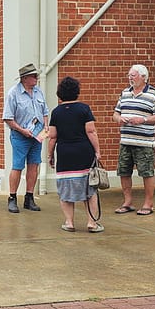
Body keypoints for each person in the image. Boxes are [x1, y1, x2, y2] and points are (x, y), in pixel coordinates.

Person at [47, 76, 103, 233]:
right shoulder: (84, 109)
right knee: (89, 189)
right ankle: (92, 223)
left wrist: (50, 155)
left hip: (65, 154)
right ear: (77, 92)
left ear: (60, 93)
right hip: (84, 152)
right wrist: (97, 151)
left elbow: (52, 137)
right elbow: (91, 131)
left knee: (65, 189)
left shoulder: (56, 112)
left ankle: (69, 222)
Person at [112, 64, 155, 216]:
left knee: (146, 172)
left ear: (143, 77)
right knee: (124, 171)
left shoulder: (153, 94)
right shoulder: (125, 93)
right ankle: (127, 202)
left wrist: (142, 120)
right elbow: (115, 114)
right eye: (129, 75)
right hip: (126, 140)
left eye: (133, 75)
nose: (130, 78)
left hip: (144, 142)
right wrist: (119, 119)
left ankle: (148, 203)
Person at [2, 63, 49, 213]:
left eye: (36, 75)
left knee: (34, 164)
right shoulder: (13, 94)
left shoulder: (39, 92)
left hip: (36, 136)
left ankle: (29, 198)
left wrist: (46, 126)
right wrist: (22, 131)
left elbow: (45, 112)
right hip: (20, 136)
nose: (36, 78)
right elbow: (8, 118)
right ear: (24, 78)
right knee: (17, 166)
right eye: (33, 76)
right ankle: (12, 198)